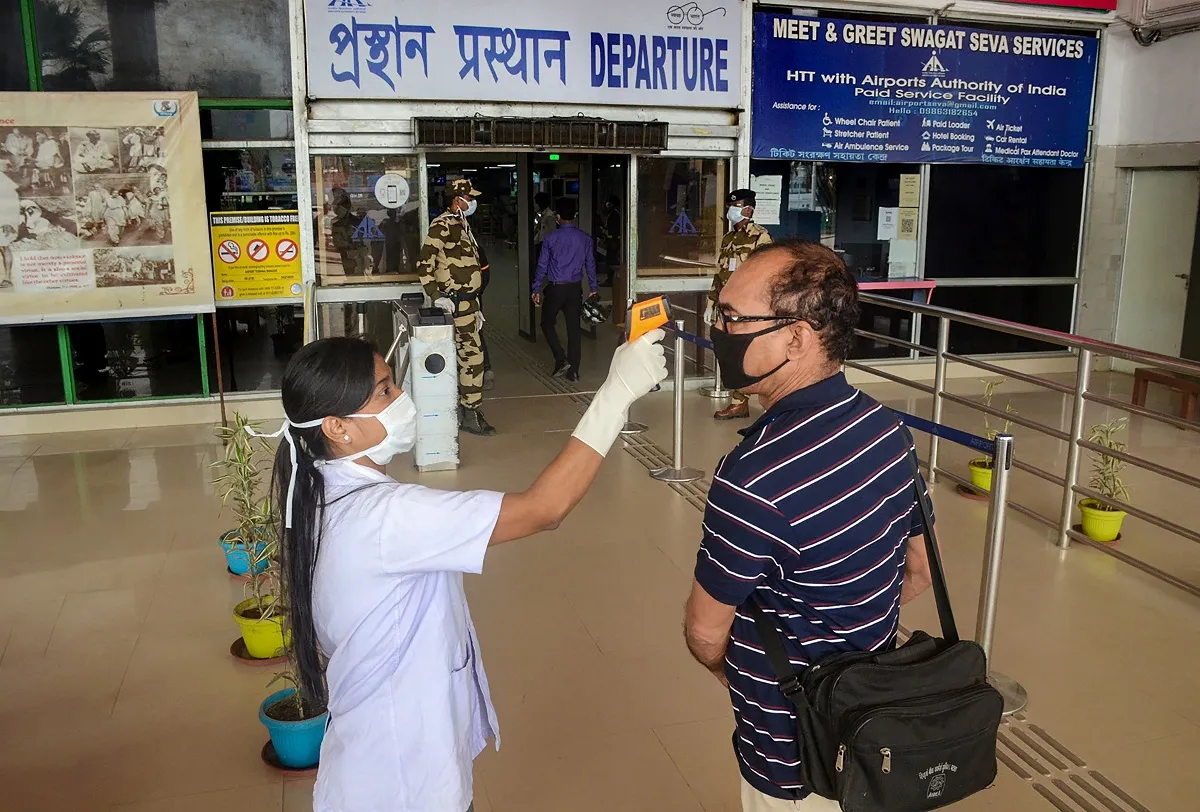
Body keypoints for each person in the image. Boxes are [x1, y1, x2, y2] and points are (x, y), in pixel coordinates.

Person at [256, 330, 666, 812]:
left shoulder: (316, 493)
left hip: (376, 763)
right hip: (403, 784)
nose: (402, 398)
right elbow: (544, 509)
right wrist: (616, 393)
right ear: (337, 428)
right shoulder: (386, 516)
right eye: (384, 391)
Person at [682, 240, 935, 812]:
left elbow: (704, 632)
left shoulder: (753, 479)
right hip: (873, 725)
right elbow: (918, 569)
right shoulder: (886, 429)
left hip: (794, 758)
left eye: (732, 317)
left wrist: (746, 676)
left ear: (796, 337)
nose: (718, 330)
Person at [417, 177, 494, 436]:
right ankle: (470, 412)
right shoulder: (442, 225)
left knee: (469, 357)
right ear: (457, 199)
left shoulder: (462, 224)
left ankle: (466, 409)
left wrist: (476, 304)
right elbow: (424, 263)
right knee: (472, 358)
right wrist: (435, 294)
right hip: (455, 306)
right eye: (469, 198)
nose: (472, 202)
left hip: (468, 304)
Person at [706, 189, 774, 421]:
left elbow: (768, 275)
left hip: (750, 309)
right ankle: (739, 402)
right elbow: (720, 274)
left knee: (753, 352)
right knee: (730, 352)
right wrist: (710, 303)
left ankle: (767, 399)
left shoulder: (760, 237)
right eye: (729, 207)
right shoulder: (728, 238)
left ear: (748, 209)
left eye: (735, 207)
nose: (730, 211)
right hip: (727, 308)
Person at [531, 197, 598, 381]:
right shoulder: (585, 238)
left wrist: (536, 288)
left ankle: (561, 359)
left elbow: (542, 265)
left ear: (558, 217)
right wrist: (593, 287)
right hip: (575, 290)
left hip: (556, 289)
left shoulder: (550, 238)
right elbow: (590, 265)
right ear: (574, 215)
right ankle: (574, 371)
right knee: (574, 330)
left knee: (546, 323)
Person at [597, 194, 621, 287]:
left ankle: (610, 279)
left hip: (613, 242)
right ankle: (610, 279)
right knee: (611, 260)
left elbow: (614, 230)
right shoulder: (614, 214)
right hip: (611, 241)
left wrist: (614, 242)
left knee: (611, 261)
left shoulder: (614, 215)